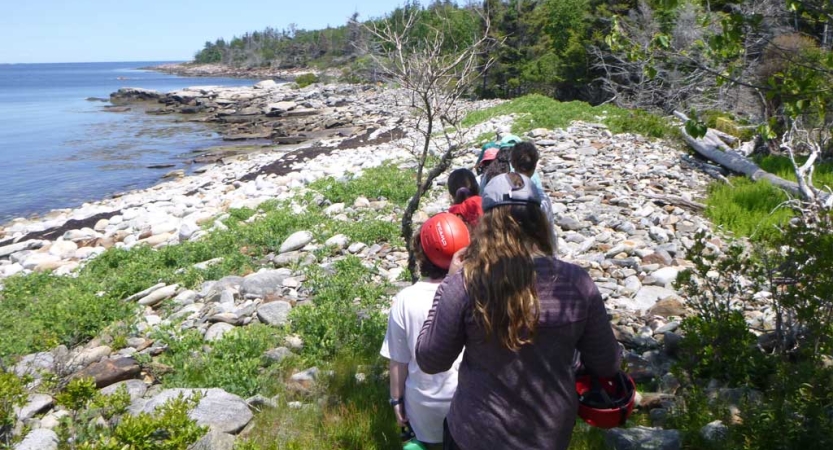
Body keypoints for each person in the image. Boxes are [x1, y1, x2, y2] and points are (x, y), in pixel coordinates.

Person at [416, 173, 621, 450]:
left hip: (476, 434)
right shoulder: (577, 283)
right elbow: (607, 363)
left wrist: (445, 287)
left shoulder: (464, 284)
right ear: (538, 220)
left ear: (486, 223)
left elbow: (431, 359)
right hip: (547, 436)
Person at [381, 215, 468, 448]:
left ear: (421, 253)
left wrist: (396, 401)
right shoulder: (474, 293)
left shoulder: (405, 299)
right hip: (466, 402)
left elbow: (398, 362)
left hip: (422, 407)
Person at [511, 141, 556, 251]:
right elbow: (549, 232)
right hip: (536, 254)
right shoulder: (542, 198)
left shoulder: (502, 194)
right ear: (535, 165)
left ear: (512, 163)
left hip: (508, 254)